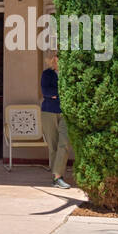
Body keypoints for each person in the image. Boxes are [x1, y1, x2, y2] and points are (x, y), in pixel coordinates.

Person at [40, 52, 72, 188]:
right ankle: (56, 178)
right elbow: (46, 92)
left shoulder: (69, 74)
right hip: (48, 112)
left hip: (65, 112)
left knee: (64, 143)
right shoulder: (47, 74)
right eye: (58, 57)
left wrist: (56, 93)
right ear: (54, 59)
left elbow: (67, 92)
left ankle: (57, 175)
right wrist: (60, 93)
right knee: (53, 146)